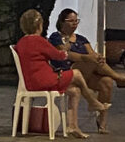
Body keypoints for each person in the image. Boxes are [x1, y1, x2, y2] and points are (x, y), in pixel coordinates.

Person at [15, 9, 110, 139]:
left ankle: (73, 126)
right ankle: (91, 101)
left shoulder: (22, 42)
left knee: (75, 90)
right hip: (44, 80)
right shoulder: (39, 41)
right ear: (39, 25)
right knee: (76, 73)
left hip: (32, 81)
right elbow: (59, 56)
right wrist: (66, 48)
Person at [49, 8, 125, 134]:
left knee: (106, 82)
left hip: (85, 74)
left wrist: (98, 57)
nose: (74, 24)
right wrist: (89, 58)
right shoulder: (56, 37)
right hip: (67, 72)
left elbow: (91, 54)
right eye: (71, 21)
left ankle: (102, 120)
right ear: (62, 22)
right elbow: (66, 55)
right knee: (92, 61)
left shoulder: (81, 39)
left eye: (76, 21)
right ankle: (119, 78)